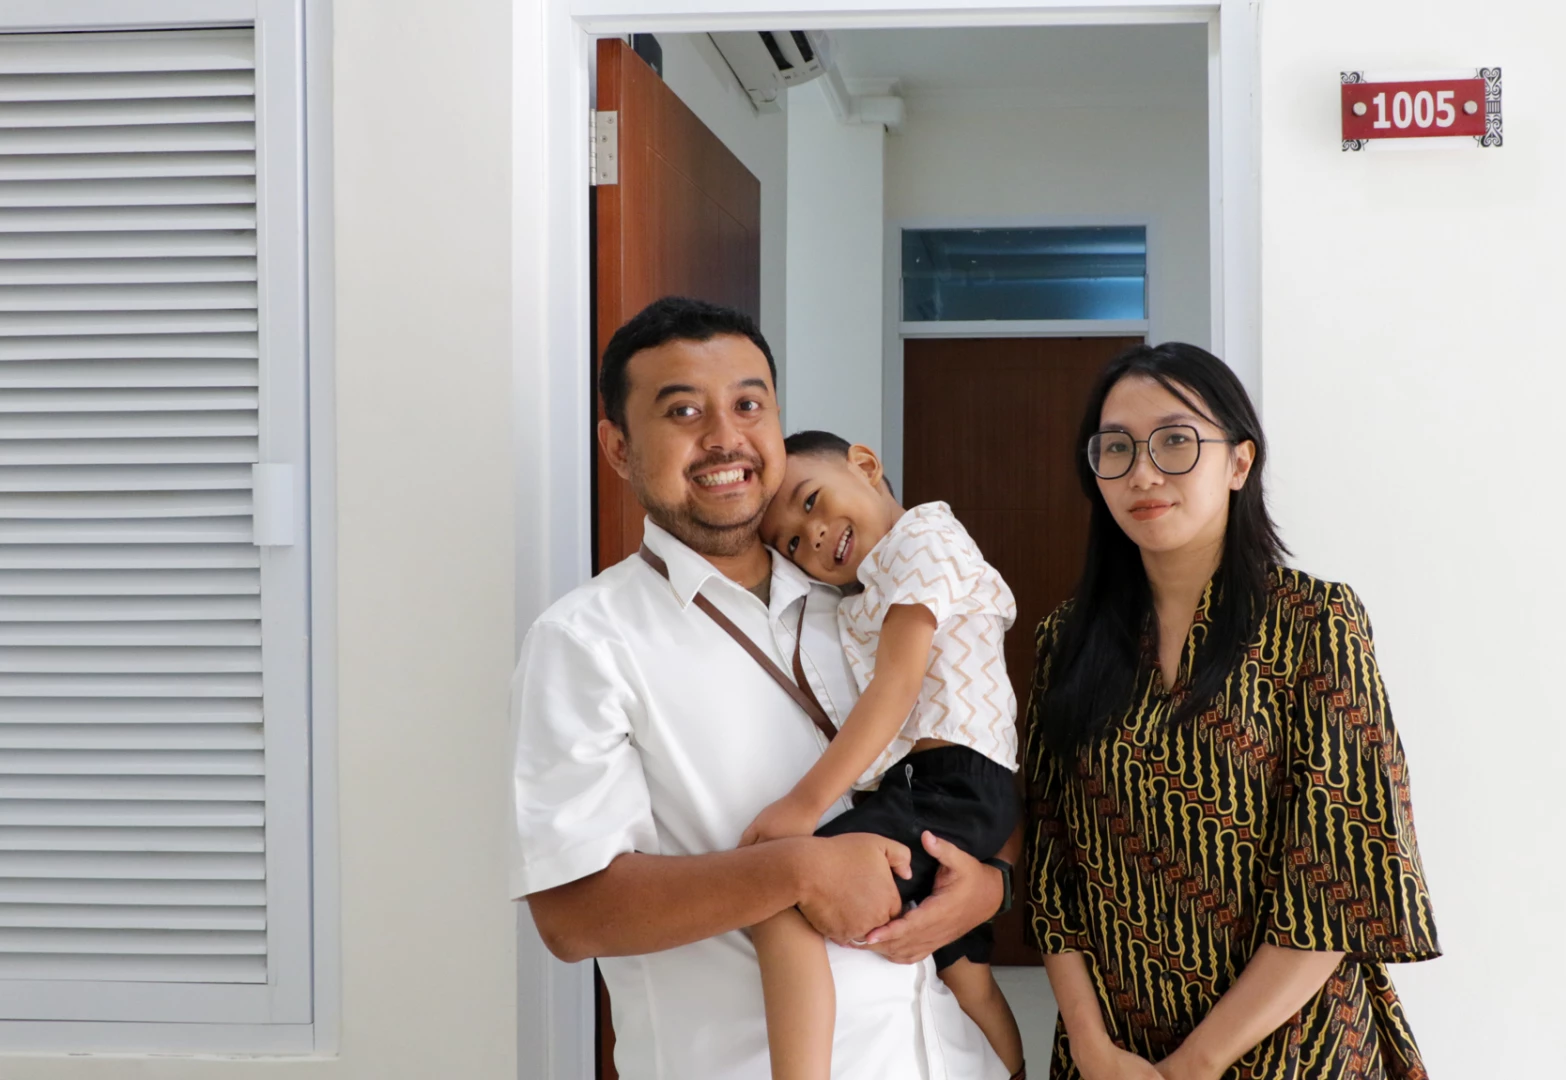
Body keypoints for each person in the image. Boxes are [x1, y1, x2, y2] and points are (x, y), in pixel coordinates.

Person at [509, 296, 1011, 1080]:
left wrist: (989, 886)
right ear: (618, 448)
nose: (724, 437)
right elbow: (572, 918)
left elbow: (969, 756)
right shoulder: (585, 641)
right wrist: (798, 870)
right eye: (682, 411)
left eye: (748, 405)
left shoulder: (862, 596)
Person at [1023, 342, 1440, 1080]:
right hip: (1114, 1053)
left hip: (1298, 1046)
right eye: (1115, 447)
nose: (1142, 472)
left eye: (1175, 441)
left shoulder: (1314, 622)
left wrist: (1197, 1064)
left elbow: (1340, 880)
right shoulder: (1066, 640)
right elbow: (1049, 864)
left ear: (1239, 463)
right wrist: (1091, 1048)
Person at [748, 430, 1028, 1080]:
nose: (813, 535)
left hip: (950, 786)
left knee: (776, 892)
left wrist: (803, 806)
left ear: (867, 465)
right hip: (949, 786)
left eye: (811, 502)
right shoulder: (867, 589)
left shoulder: (922, 540)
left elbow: (897, 685)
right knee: (965, 974)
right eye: (792, 543)